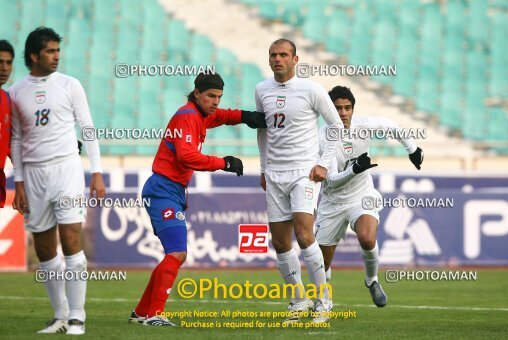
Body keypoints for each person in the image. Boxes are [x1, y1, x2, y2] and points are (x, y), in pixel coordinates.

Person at [128, 72, 266, 326]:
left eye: (219, 97)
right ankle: (155, 314)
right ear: (197, 93)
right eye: (211, 96)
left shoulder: (198, 114)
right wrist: (222, 162)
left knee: (175, 254)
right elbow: (186, 156)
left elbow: (222, 116)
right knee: (178, 252)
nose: (215, 101)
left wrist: (245, 117)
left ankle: (142, 312)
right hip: (163, 189)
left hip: (171, 190)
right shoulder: (188, 117)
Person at [10, 27, 105, 335]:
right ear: (34, 56)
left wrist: (97, 172)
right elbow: (17, 140)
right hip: (34, 175)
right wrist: (20, 182)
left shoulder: (69, 85)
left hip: (66, 170)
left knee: (71, 240)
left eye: (57, 50)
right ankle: (60, 315)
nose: (57, 56)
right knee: (44, 249)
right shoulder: (15, 92)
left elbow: (88, 128)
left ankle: (78, 316)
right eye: (50, 51)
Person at [256, 38, 343, 324]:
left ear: (295, 59)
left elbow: (336, 125)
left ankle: (324, 301)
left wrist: (323, 163)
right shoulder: (261, 90)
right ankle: (298, 301)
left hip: (303, 172)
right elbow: (263, 132)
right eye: (273, 55)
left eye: (283, 54)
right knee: (280, 242)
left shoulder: (311, 89)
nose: (277, 59)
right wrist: (264, 168)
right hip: (275, 174)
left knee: (304, 234)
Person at [316, 86, 424, 309]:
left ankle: (372, 280)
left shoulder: (363, 126)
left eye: (347, 108)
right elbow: (329, 181)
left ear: (353, 109)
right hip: (332, 202)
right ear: (329, 111)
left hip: (361, 195)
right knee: (320, 263)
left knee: (367, 237)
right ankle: (324, 299)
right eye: (337, 109)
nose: (343, 113)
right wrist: (354, 169)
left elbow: (392, 127)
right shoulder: (320, 139)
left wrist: (413, 149)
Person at [0, 40, 14, 211]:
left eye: (8, 63)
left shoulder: (7, 100)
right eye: (0, 62)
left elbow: (11, 144)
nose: (4, 68)